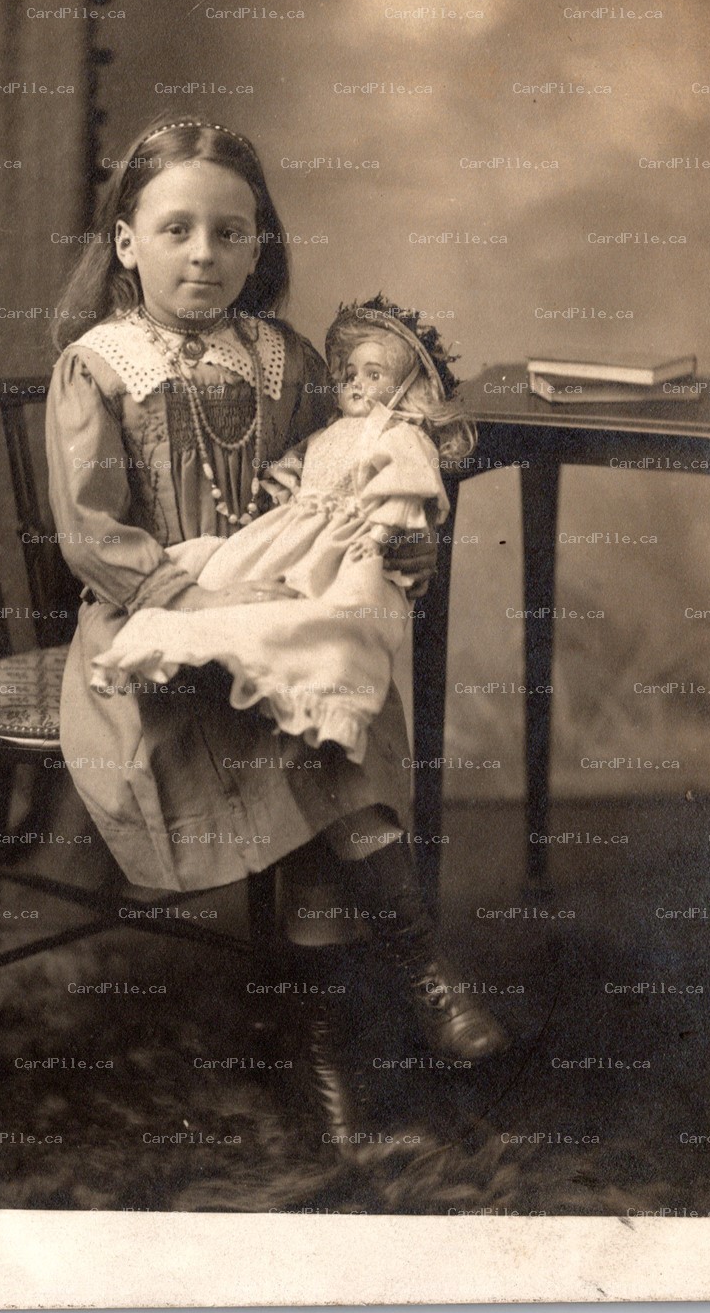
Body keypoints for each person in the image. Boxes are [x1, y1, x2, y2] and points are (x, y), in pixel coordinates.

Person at [45, 115, 508, 1162]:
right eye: (176, 230)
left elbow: (335, 485)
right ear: (126, 242)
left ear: (259, 245)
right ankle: (411, 974)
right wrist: (196, 604)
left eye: (229, 232)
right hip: (147, 625)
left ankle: (333, 1061)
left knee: (316, 704)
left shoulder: (285, 357)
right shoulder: (99, 364)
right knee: (303, 733)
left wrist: (404, 553)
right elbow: (89, 531)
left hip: (277, 610)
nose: (203, 254)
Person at [89, 302, 463, 768]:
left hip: (328, 555)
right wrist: (277, 488)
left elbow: (405, 480)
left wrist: (399, 530)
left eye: (374, 375)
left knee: (327, 625)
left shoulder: (300, 368)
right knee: (218, 573)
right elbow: (92, 531)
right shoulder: (97, 363)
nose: (354, 384)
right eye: (350, 374)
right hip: (221, 561)